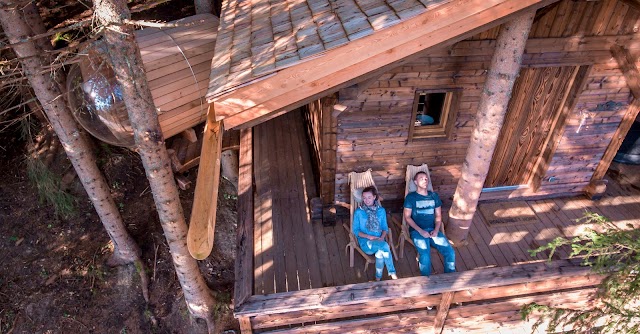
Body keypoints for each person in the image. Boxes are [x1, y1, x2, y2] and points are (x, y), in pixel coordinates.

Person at [403, 171, 456, 276]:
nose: (425, 180)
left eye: (426, 179)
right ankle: (426, 281)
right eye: (421, 178)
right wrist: (420, 231)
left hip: (433, 230)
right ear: (415, 182)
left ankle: (450, 277)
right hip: (417, 231)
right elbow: (407, 217)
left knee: (450, 252)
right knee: (425, 255)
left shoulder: (434, 196)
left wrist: (436, 230)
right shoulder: (411, 197)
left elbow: (438, 216)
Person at [353, 186, 398, 281]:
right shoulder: (359, 212)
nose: (366, 200)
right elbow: (355, 231)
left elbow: (385, 228)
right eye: (364, 198)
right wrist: (368, 236)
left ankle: (377, 279)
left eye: (369, 197)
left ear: (374, 197)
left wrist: (382, 237)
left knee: (380, 253)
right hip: (366, 243)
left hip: (379, 240)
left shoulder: (381, 211)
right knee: (384, 246)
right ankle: (393, 273)